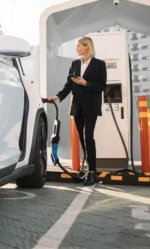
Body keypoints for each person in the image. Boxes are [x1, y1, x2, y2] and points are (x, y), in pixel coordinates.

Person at [48, 36, 107, 186]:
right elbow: (68, 85)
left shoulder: (99, 64)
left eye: (79, 46)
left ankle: (92, 171)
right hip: (77, 107)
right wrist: (58, 96)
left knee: (88, 137)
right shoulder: (74, 64)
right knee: (82, 138)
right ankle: (89, 171)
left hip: (91, 107)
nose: (76, 49)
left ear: (87, 46)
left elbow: (101, 86)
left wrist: (86, 83)